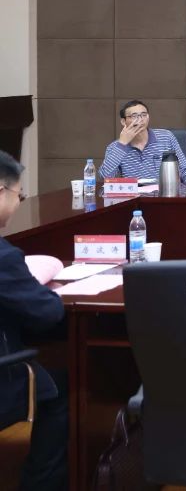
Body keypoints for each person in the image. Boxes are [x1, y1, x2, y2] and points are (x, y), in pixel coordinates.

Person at [0, 150, 68, 491]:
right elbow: (47, 313)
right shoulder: (3, 256)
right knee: (65, 390)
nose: (18, 203)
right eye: (19, 195)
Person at [100, 98, 186, 184]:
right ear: (123, 121)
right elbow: (105, 178)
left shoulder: (166, 137)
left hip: (164, 194)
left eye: (144, 115)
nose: (140, 119)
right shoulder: (115, 147)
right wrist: (122, 145)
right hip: (134, 196)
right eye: (134, 116)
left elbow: (185, 170)